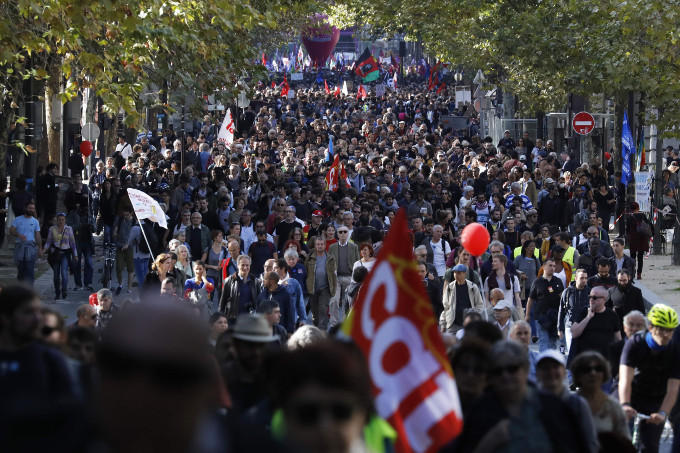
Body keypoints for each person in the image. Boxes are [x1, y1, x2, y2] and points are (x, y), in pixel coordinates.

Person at [455, 341, 588, 452]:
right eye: (498, 371)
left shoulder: (553, 407)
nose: (505, 375)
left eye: (512, 369)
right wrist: (491, 441)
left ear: (525, 369)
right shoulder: (480, 411)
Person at [0, 284, 74, 427]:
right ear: (6, 318)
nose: (37, 319)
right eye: (28, 312)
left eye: (39, 312)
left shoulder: (50, 360)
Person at [619, 304, 680, 452]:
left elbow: (673, 389)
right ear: (651, 327)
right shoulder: (635, 343)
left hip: (655, 398)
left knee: (650, 446)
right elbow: (625, 380)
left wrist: (663, 413)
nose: (666, 335)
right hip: (631, 393)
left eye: (670, 330)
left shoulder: (675, 349)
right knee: (620, 439)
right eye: (662, 329)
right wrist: (625, 404)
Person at [535, 350, 599, 453]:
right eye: (545, 368)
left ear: (564, 372)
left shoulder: (578, 404)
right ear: (537, 373)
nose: (551, 372)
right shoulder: (530, 404)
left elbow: (590, 442)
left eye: (555, 367)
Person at [570, 351, 630, 441]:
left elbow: (625, 442)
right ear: (578, 375)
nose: (593, 373)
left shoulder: (614, 407)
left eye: (598, 369)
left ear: (604, 373)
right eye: (586, 369)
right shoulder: (568, 404)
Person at [567, 285, 621, 365]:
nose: (591, 300)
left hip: (603, 363)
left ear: (604, 300)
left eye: (595, 298)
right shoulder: (584, 312)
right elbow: (574, 333)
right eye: (590, 297)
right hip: (583, 363)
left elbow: (618, 340)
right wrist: (588, 318)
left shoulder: (612, 315)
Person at [525, 257, 565, 351]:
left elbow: (563, 298)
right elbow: (530, 300)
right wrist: (527, 315)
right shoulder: (537, 282)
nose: (552, 268)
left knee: (552, 343)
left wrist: (563, 314)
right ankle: (543, 362)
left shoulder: (557, 281)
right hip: (541, 316)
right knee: (543, 341)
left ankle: (551, 362)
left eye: (554, 266)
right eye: (550, 265)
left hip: (554, 316)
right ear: (543, 267)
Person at [328, 226, 359, 325]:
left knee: (349, 303)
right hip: (336, 278)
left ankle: (346, 324)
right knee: (334, 301)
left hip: (349, 277)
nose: (342, 234)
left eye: (345, 232)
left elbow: (357, 263)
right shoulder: (332, 247)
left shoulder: (354, 247)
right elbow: (328, 262)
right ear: (337, 234)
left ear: (348, 234)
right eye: (340, 232)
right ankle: (334, 324)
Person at [440, 263, 484, 334]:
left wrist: (475, 319)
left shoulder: (473, 287)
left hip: (469, 325)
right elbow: (446, 307)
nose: (456, 275)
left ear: (465, 274)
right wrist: (443, 324)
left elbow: (479, 305)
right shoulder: (449, 287)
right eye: (454, 273)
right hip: (453, 325)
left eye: (459, 273)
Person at [43, 212, 77, 300]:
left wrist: (75, 255)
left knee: (64, 273)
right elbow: (48, 242)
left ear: (65, 220)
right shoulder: (52, 229)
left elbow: (72, 243)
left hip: (65, 253)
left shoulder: (69, 229)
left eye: (62, 220)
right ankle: (57, 292)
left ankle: (64, 290)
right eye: (59, 220)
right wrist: (44, 250)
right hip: (55, 254)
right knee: (56, 275)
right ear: (56, 220)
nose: (61, 221)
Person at [305, 236, 337, 331]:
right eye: (318, 244)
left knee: (323, 309)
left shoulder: (330, 258)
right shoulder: (310, 258)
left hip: (325, 288)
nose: (320, 246)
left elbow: (333, 274)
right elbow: (306, 270)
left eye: (321, 244)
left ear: (325, 245)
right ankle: (316, 328)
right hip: (313, 288)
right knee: (315, 312)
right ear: (315, 245)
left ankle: (322, 331)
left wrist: (333, 289)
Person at [219, 255, 260, 326]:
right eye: (242, 265)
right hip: (232, 319)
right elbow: (222, 302)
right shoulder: (229, 281)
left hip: (249, 320)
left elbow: (258, 301)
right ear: (238, 265)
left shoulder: (255, 281)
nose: (245, 267)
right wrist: (220, 319)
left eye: (247, 265)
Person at [558, 268, 590, 353]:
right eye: (581, 278)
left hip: (585, 328)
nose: (584, 280)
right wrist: (560, 328)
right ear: (575, 278)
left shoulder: (590, 292)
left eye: (586, 278)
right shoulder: (567, 292)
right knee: (572, 352)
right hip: (570, 327)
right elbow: (561, 311)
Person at [9, 201, 42, 284]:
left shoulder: (35, 221)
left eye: (33, 209)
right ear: (25, 208)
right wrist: (18, 235)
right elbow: (11, 230)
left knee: (30, 269)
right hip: (19, 247)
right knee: (21, 270)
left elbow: (37, 235)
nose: (32, 210)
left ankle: (29, 291)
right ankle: (21, 290)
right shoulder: (18, 219)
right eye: (30, 208)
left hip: (31, 247)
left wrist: (40, 248)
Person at [273, 258, 307, 327]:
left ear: (282, 268)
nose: (273, 270)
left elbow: (300, 302)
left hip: (291, 321)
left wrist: (302, 319)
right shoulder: (272, 283)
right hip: (275, 322)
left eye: (275, 268)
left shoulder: (294, 283)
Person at [625, 201, 652, 280]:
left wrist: (628, 239)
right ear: (638, 208)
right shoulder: (643, 215)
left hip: (633, 239)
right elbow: (648, 224)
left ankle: (632, 273)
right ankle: (639, 274)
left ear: (630, 209)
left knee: (632, 257)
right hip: (642, 238)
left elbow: (627, 229)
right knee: (640, 257)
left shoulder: (629, 217)